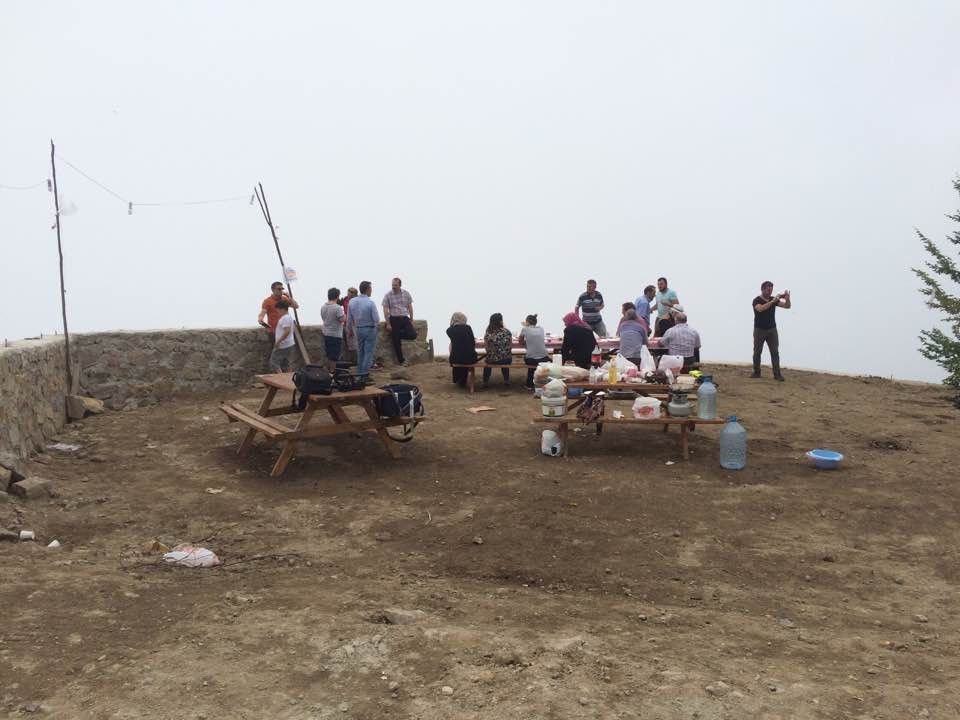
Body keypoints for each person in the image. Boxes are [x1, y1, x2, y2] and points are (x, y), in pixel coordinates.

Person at [752, 281, 791, 381]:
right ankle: (756, 372)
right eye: (768, 289)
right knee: (757, 352)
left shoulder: (773, 299)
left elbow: (787, 306)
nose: (770, 292)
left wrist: (787, 298)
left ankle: (777, 374)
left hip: (772, 330)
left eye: (771, 290)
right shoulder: (756, 300)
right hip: (759, 330)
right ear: (762, 289)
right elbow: (760, 309)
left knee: (775, 352)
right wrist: (773, 301)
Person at [382, 277, 417, 366]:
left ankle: (397, 335)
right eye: (392, 285)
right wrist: (388, 323)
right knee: (396, 342)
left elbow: (410, 307)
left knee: (413, 335)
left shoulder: (406, 293)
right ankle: (401, 361)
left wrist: (411, 318)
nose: (393, 287)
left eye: (395, 285)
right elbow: (385, 309)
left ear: (400, 285)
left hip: (405, 318)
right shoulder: (388, 295)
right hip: (394, 319)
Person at [350, 281, 380, 381]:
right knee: (368, 353)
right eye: (370, 288)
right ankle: (364, 375)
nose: (371, 290)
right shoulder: (370, 302)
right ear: (367, 289)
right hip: (369, 329)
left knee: (361, 352)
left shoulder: (352, 301)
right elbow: (376, 319)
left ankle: (359, 374)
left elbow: (349, 318)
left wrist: (349, 330)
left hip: (358, 329)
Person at [446, 312, 479, 388]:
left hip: (455, 358)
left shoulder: (449, 330)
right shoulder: (468, 328)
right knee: (466, 356)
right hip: (470, 358)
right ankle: (462, 381)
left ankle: (457, 380)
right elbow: (472, 342)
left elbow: (455, 340)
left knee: (458, 356)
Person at [519, 314, 549, 389]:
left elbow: (520, 341)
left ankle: (529, 385)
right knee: (536, 359)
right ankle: (541, 382)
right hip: (544, 358)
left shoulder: (525, 329)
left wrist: (527, 344)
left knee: (531, 359)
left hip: (531, 360)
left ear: (527, 322)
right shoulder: (541, 329)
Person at [482, 313, 513, 387]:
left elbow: (487, 349)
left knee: (487, 363)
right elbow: (510, 346)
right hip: (506, 359)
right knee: (505, 358)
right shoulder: (507, 332)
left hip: (492, 360)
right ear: (501, 321)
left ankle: (485, 382)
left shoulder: (488, 333)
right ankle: (506, 380)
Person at [320, 287, 345, 372]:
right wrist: (344, 313)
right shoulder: (337, 308)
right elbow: (342, 319)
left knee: (329, 355)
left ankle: (329, 371)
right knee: (334, 356)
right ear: (337, 296)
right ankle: (332, 371)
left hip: (326, 333)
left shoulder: (323, 307)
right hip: (335, 335)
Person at [269, 300, 296, 372]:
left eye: (278, 310)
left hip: (283, 344)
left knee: (274, 362)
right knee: (287, 363)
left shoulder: (285, 318)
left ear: (282, 309)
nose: (277, 312)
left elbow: (287, 331)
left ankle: (281, 377)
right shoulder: (289, 317)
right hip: (289, 343)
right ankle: (289, 377)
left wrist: (278, 342)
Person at [342, 286, 359, 363]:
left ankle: (356, 361)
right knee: (348, 344)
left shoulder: (357, 301)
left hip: (354, 324)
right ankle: (350, 361)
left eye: (350, 294)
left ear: (354, 294)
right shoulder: (345, 299)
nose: (348, 295)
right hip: (346, 324)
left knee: (355, 344)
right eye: (348, 293)